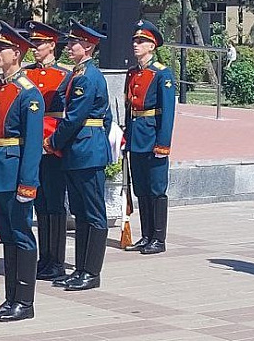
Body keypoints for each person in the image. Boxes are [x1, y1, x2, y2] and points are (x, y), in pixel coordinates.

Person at [0, 21, 43, 322]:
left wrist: (28, 183)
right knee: (7, 237)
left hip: (16, 173)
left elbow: (32, 144)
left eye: (2, 48)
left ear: (17, 53)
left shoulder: (28, 93)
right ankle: (11, 297)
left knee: (21, 235)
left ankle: (24, 301)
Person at [45, 19, 112, 291]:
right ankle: (81, 269)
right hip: (79, 149)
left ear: (88, 46)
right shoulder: (78, 74)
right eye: (70, 41)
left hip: (86, 150)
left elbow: (74, 117)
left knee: (93, 213)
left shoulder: (87, 77)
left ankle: (91, 272)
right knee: (81, 212)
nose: (69, 46)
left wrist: (52, 141)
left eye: (74, 42)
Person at [22, 20, 70, 281]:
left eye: (39, 43)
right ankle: (44, 258)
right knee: (39, 203)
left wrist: (55, 142)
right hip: (31, 146)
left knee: (54, 203)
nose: (34, 48)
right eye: (33, 43)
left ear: (52, 45)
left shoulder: (64, 75)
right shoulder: (26, 74)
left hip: (52, 147)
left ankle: (57, 260)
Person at [122, 20, 176, 255]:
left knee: (156, 189)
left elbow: (168, 112)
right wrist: (126, 136)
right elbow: (129, 108)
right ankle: (146, 235)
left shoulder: (161, 74)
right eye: (135, 40)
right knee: (141, 189)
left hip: (153, 137)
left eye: (141, 41)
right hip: (136, 136)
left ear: (152, 46)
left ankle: (158, 238)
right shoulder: (133, 72)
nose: (136, 44)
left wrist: (163, 144)